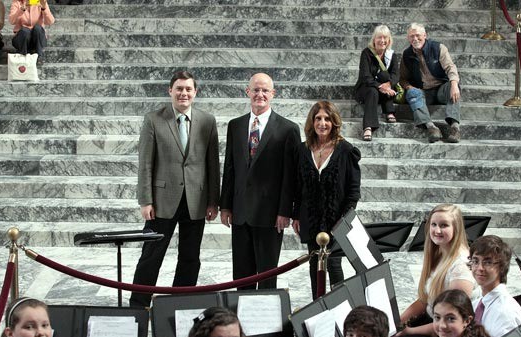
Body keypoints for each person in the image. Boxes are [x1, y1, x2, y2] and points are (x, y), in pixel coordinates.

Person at [129, 70, 220, 308]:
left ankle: (181, 303)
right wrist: (145, 200)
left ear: (195, 92)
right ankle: (138, 305)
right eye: (179, 88)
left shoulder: (207, 121)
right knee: (151, 256)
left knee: (190, 258)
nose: (184, 93)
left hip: (196, 200)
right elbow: (145, 163)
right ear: (170, 91)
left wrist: (213, 201)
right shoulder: (154, 119)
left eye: (188, 89)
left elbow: (212, 164)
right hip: (161, 201)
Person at [220, 73, 301, 289]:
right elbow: (230, 168)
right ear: (248, 92)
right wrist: (225, 206)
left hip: (270, 215)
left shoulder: (288, 129)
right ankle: (241, 320)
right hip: (240, 213)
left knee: (267, 277)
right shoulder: (235, 126)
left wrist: (285, 211)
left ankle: (265, 319)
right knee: (242, 277)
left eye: (265, 90)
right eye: (256, 90)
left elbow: (290, 175)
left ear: (273, 94)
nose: (260, 94)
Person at [383, 203, 476, 337]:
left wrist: (408, 332)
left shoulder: (461, 267)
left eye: (444, 225)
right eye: (434, 224)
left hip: (441, 334)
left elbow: (451, 320)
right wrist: (397, 322)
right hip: (430, 320)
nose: (437, 230)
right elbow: (425, 300)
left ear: (457, 228)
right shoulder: (440, 252)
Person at [292, 100, 361, 299]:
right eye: (318, 118)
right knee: (315, 264)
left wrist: (344, 220)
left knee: (333, 263)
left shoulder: (346, 150)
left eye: (327, 119)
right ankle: (318, 305)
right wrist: (296, 215)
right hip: (311, 218)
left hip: (336, 219)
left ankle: (338, 306)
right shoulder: (302, 150)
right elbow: (298, 186)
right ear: (312, 122)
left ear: (334, 122)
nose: (322, 123)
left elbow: (353, 190)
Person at [399, 23, 462, 143]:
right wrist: (410, 87)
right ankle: (431, 128)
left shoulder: (438, 48)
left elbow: (450, 67)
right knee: (411, 93)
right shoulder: (407, 55)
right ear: (408, 38)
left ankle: (455, 128)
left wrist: (454, 84)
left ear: (425, 35)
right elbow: (402, 78)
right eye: (412, 36)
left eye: (418, 35)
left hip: (440, 90)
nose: (415, 39)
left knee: (453, 86)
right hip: (423, 92)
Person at [469, 235, 521, 337]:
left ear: (502, 267)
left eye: (488, 262)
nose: (480, 268)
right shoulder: (476, 304)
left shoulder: (506, 312)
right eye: (475, 261)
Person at [354, 24, 399, 141]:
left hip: (383, 91)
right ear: (374, 39)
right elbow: (366, 76)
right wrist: (381, 87)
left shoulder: (391, 55)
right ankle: (368, 127)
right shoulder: (366, 53)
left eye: (385, 38)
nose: (382, 41)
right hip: (365, 89)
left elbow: (395, 74)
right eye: (379, 37)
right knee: (373, 91)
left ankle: (389, 110)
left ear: (389, 40)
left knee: (386, 77)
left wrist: (388, 85)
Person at [8, 0, 55, 64]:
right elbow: (11, 21)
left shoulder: (40, 2)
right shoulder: (17, 2)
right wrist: (21, 10)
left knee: (37, 28)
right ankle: (23, 57)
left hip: (38, 39)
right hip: (22, 39)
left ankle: (39, 56)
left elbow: (50, 21)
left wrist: (44, 8)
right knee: (25, 31)